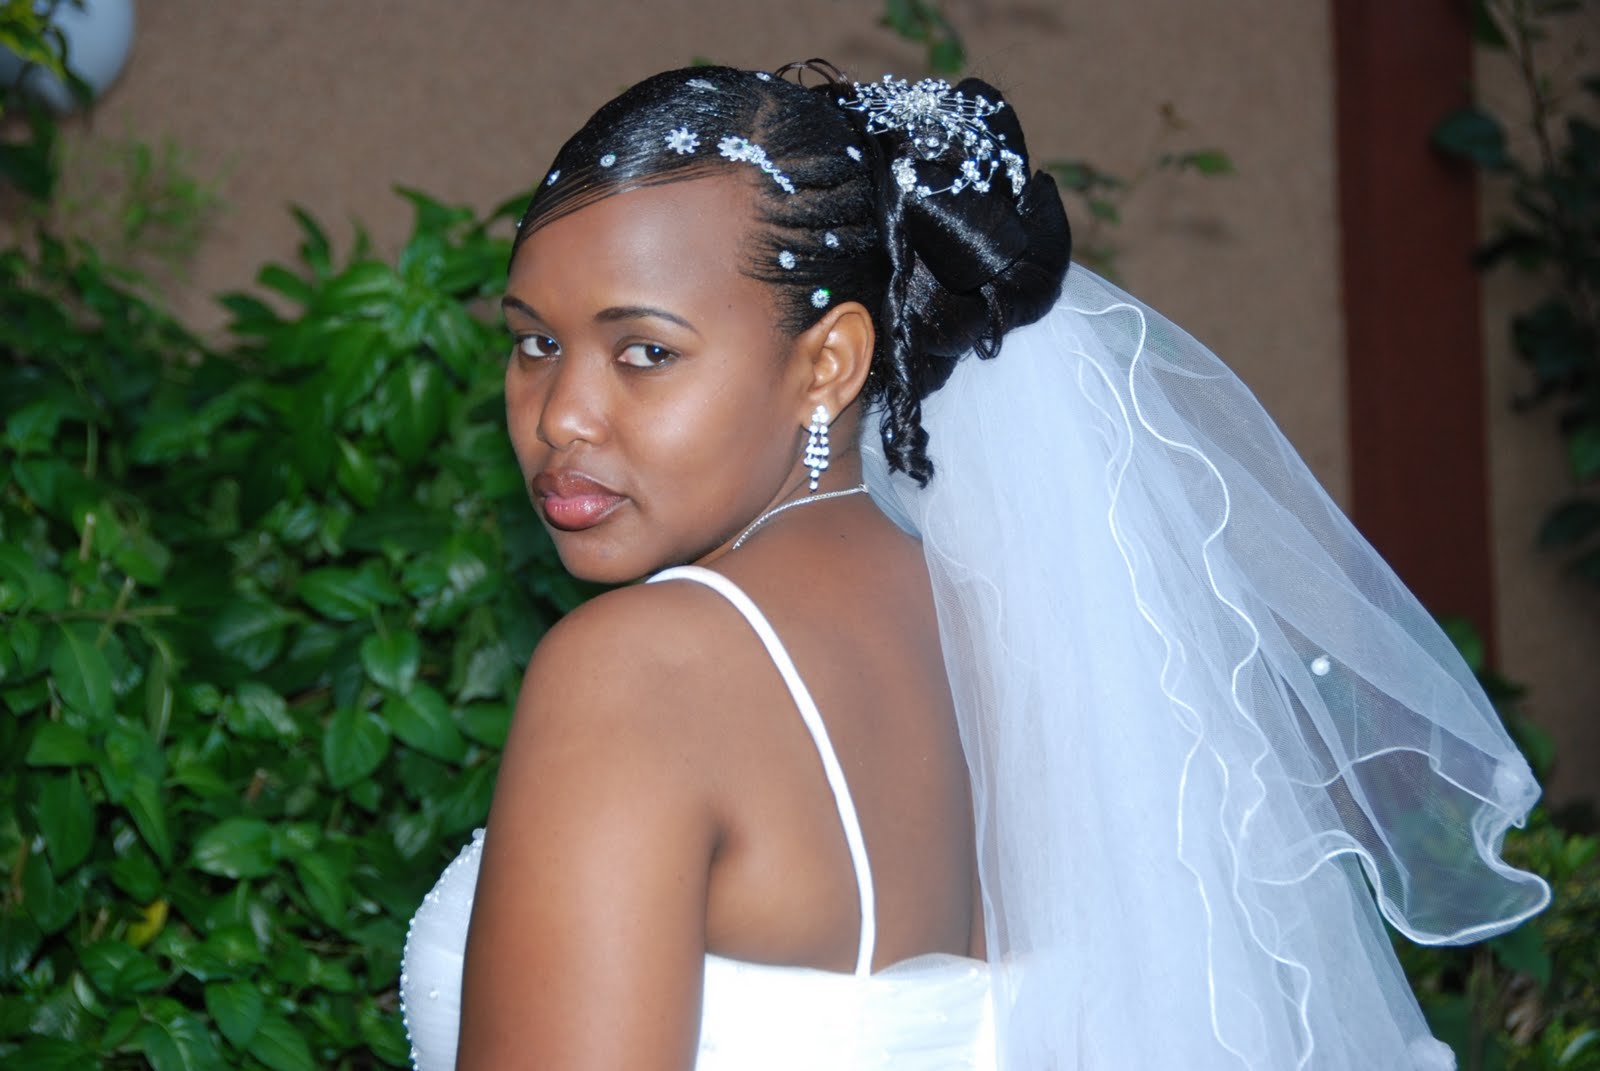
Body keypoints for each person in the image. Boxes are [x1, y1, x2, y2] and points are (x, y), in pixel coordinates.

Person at [399, 62, 1549, 1070]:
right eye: (533, 342)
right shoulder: (1023, 627)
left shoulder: (641, 670)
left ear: (828, 364)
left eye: (644, 352)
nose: (561, 414)